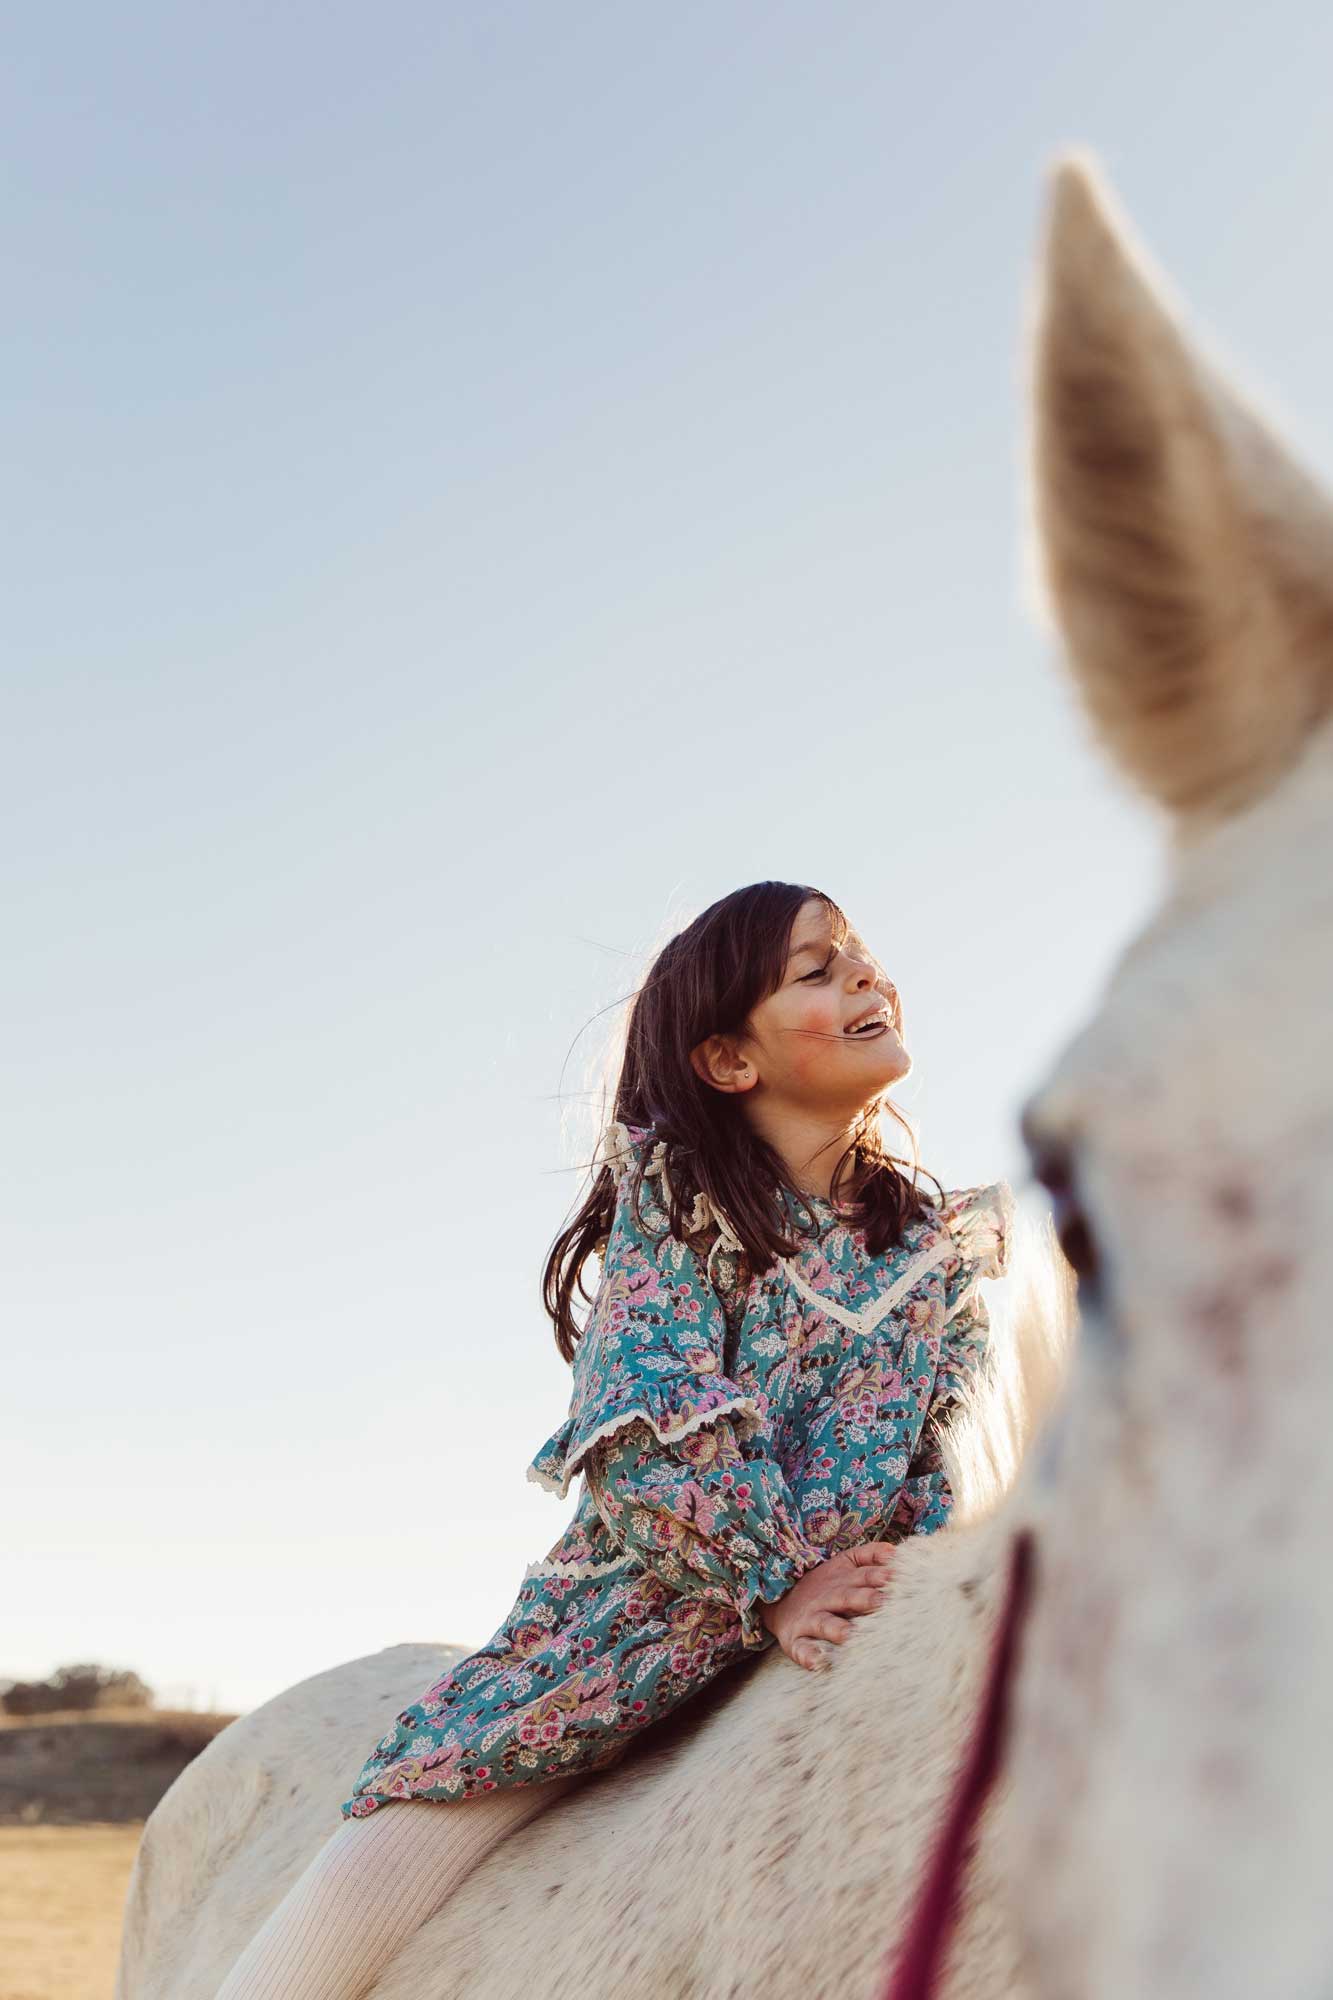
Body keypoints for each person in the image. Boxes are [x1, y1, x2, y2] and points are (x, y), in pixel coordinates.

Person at [213, 880, 1013, 1998]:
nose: (867, 976)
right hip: (647, 1611)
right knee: (401, 1841)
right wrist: (773, 1577)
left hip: (855, 1606)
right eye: (818, 969)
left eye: (861, 955)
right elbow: (651, 1420)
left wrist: (916, 1572)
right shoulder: (682, 1208)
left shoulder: (939, 1251)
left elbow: (946, 1434)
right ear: (731, 1060)